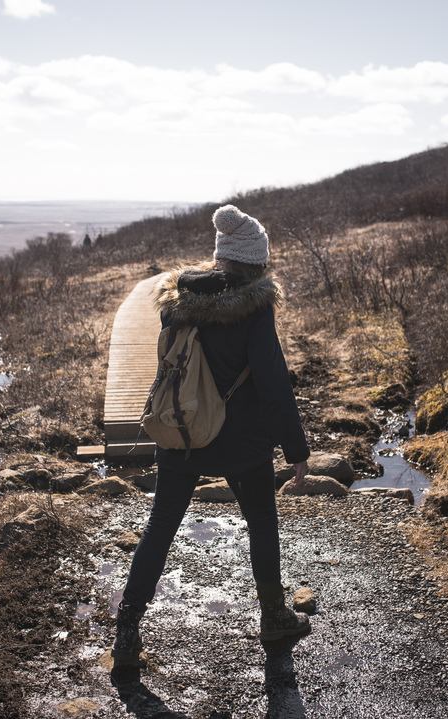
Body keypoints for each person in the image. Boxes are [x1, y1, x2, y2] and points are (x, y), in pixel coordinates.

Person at [112, 204, 313, 668]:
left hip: (180, 433)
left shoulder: (178, 303)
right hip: (242, 443)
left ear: (221, 256)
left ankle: (127, 631)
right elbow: (274, 384)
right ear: (256, 262)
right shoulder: (256, 310)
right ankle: (273, 618)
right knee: (262, 523)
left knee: (160, 528)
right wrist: (296, 449)